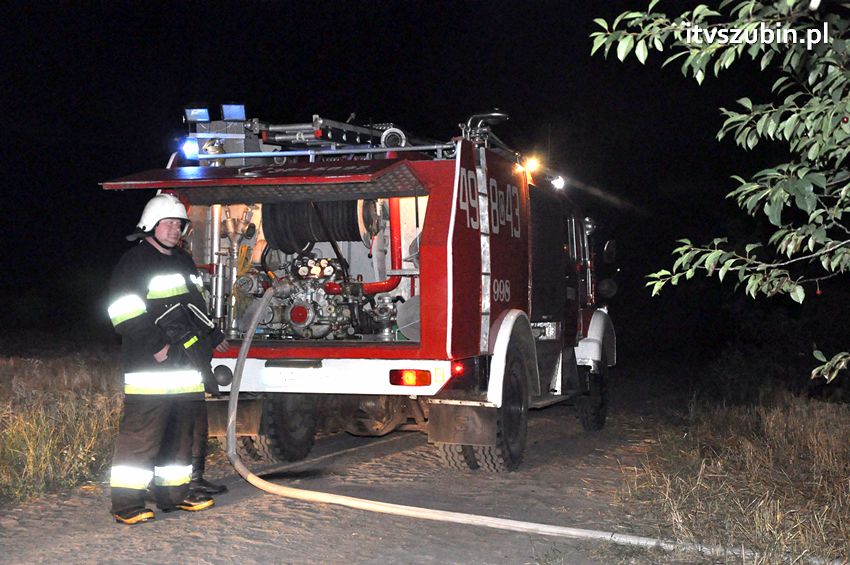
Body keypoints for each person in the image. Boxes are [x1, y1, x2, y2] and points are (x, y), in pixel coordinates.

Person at [106, 192, 224, 524]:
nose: (174, 230)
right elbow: (123, 310)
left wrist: (214, 336)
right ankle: (126, 504)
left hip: (186, 367)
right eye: (168, 223)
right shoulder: (135, 261)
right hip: (151, 368)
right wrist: (155, 345)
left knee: (180, 436)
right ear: (150, 226)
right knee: (141, 438)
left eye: (179, 224)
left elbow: (195, 306)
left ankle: (174, 495)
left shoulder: (183, 261)